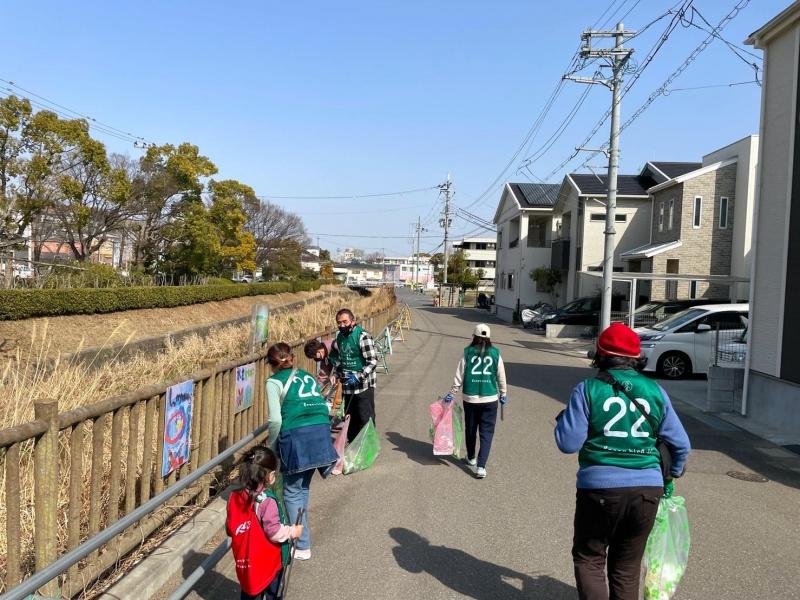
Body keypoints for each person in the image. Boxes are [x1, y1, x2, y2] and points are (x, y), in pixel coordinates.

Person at [554, 322, 691, 600]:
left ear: (600, 354)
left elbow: (567, 443)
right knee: (626, 567)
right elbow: (681, 444)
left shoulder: (587, 389)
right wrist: (670, 476)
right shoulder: (655, 391)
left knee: (590, 558)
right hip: (648, 490)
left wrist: (563, 420)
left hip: (599, 488)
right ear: (636, 357)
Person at [266, 343, 338, 561]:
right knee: (301, 488)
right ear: (292, 358)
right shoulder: (306, 375)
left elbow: (276, 419)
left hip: (297, 436)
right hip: (320, 430)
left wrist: (272, 447)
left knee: (291, 490)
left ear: (271, 364)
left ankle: (302, 543)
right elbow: (321, 403)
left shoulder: (273, 382)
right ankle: (299, 531)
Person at [228, 445, 302, 600]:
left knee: (249, 592)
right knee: (272, 592)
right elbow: (274, 532)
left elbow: (230, 529)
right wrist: (292, 531)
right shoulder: (266, 501)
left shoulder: (234, 497)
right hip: (268, 563)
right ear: (269, 475)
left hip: (246, 562)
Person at [444, 323, 507, 479]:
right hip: (490, 399)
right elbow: (501, 376)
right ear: (489, 337)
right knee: (487, 433)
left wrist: (452, 392)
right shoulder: (496, 353)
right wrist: (503, 393)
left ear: (474, 336)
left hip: (470, 398)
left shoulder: (467, 352)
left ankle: (471, 457)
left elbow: (459, 374)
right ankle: (481, 466)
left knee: (471, 429)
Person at [328, 308, 378, 442]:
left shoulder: (362, 336)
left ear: (353, 321)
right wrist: (337, 373)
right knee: (350, 416)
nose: (342, 325)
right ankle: (353, 444)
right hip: (347, 384)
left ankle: (368, 446)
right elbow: (341, 359)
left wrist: (359, 376)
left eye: (345, 321)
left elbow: (372, 360)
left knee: (365, 416)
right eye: (339, 322)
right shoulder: (339, 337)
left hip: (364, 385)